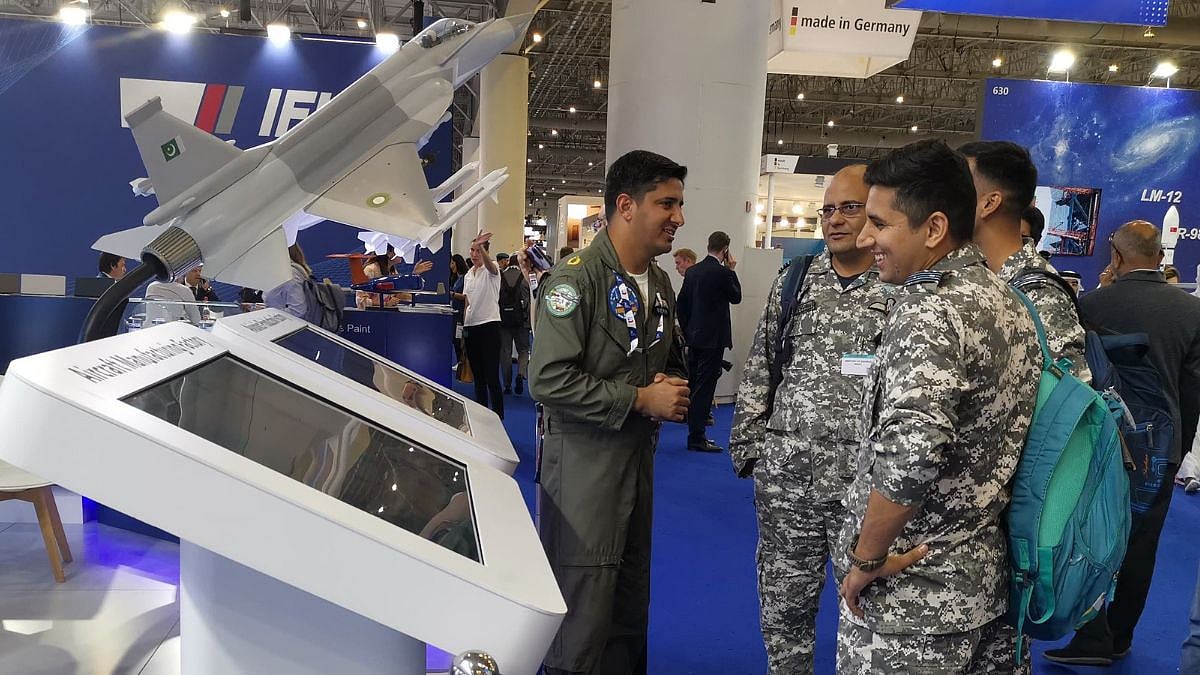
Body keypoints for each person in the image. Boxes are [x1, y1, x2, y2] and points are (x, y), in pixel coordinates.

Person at [835, 140, 1040, 673]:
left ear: (933, 229)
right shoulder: (1007, 301)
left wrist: (865, 559)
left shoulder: (931, 312)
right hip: (981, 589)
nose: (864, 238)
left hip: (910, 602)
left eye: (879, 224)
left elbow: (909, 458)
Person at [730, 164, 896, 674]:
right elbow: (761, 364)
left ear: (876, 213)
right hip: (787, 481)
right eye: (828, 209)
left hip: (862, 489)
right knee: (784, 613)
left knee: (868, 614)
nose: (835, 220)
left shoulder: (899, 285)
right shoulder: (796, 278)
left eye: (850, 207)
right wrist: (750, 449)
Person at [529, 149, 689, 675]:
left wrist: (669, 383)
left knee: (627, 598)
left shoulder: (659, 283)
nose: (679, 218)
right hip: (583, 472)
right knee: (583, 609)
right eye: (667, 204)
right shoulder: (575, 281)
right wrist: (641, 399)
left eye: (679, 205)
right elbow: (548, 379)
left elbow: (667, 358)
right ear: (626, 205)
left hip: (636, 464)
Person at [1046, 220, 1200, 667]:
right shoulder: (1191, 312)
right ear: (1161, 257)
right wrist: (1177, 451)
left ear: (1114, 256)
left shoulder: (1091, 304)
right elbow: (1193, 391)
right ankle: (1119, 637)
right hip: (1162, 447)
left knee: (1088, 535)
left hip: (1095, 443)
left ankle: (1090, 632)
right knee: (1141, 544)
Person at [961, 140, 1089, 383]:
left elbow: (1069, 393)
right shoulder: (978, 277)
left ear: (989, 203)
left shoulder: (1038, 291)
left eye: (957, 188)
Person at [676, 231, 741, 453]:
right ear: (725, 250)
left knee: (694, 384)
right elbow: (736, 296)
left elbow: (681, 305)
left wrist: (687, 331)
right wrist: (732, 271)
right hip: (713, 340)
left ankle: (693, 430)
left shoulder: (692, 272)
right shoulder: (723, 273)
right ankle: (697, 437)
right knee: (705, 389)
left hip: (693, 338)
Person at [463, 234, 504, 419]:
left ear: (486, 252)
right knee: (478, 376)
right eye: (472, 250)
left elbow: (491, 267)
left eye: (478, 251)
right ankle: (481, 414)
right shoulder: (468, 274)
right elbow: (467, 302)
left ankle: (498, 415)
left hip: (490, 325)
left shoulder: (492, 269)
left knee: (491, 376)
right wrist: (464, 326)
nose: (474, 254)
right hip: (472, 327)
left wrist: (483, 249)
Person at [498, 251, 531, 395]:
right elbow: (528, 302)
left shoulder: (501, 277)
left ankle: (506, 385)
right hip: (521, 321)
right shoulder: (525, 278)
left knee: (505, 352)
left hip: (504, 320)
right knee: (523, 350)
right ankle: (521, 373)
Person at [265, 243, 312, 319]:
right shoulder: (281, 272)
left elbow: (298, 310)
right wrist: (259, 308)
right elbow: (279, 301)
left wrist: (268, 315)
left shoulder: (290, 274)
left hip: (290, 326)